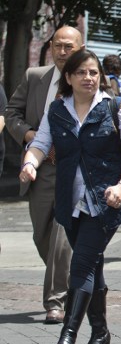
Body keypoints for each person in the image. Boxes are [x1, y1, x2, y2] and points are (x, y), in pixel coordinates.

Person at [20, 49, 121, 344]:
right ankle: (100, 331)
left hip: (106, 202)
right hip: (69, 203)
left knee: (82, 264)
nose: (89, 78)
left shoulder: (115, 107)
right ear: (69, 78)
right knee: (93, 265)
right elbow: (39, 144)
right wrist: (30, 164)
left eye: (93, 72)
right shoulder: (57, 110)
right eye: (82, 73)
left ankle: (68, 335)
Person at [5, 25, 83, 324]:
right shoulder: (34, 77)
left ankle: (55, 301)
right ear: (50, 47)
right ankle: (70, 278)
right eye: (58, 46)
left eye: (69, 47)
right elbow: (12, 113)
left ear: (80, 47)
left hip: (73, 170)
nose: (63, 52)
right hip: (39, 170)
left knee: (62, 238)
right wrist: (29, 135)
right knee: (42, 236)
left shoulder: (87, 80)